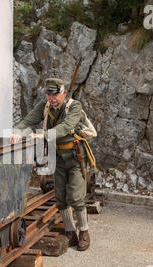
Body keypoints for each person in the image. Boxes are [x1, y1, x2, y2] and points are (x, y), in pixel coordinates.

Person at [11, 78, 96, 251]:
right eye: (49, 94)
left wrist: (43, 135)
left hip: (75, 157)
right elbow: (29, 120)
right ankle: (70, 231)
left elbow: (66, 127)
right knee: (60, 196)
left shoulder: (74, 106)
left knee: (76, 196)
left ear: (63, 93)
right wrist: (17, 132)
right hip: (56, 156)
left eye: (55, 94)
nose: (52, 98)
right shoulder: (46, 105)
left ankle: (84, 232)